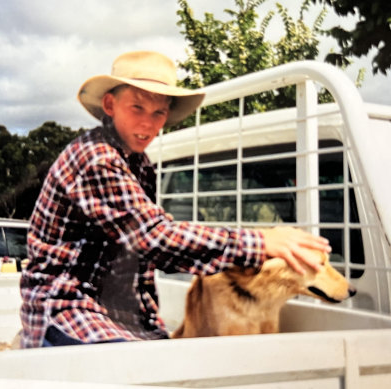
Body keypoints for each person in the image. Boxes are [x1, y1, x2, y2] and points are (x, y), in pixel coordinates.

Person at [19, 51, 331, 348]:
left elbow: (143, 252)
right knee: (143, 370)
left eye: (159, 112)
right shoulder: (96, 159)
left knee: (167, 356)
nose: (148, 124)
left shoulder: (137, 163)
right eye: (137, 108)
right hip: (67, 305)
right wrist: (261, 242)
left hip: (116, 309)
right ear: (110, 105)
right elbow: (154, 238)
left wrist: (153, 326)